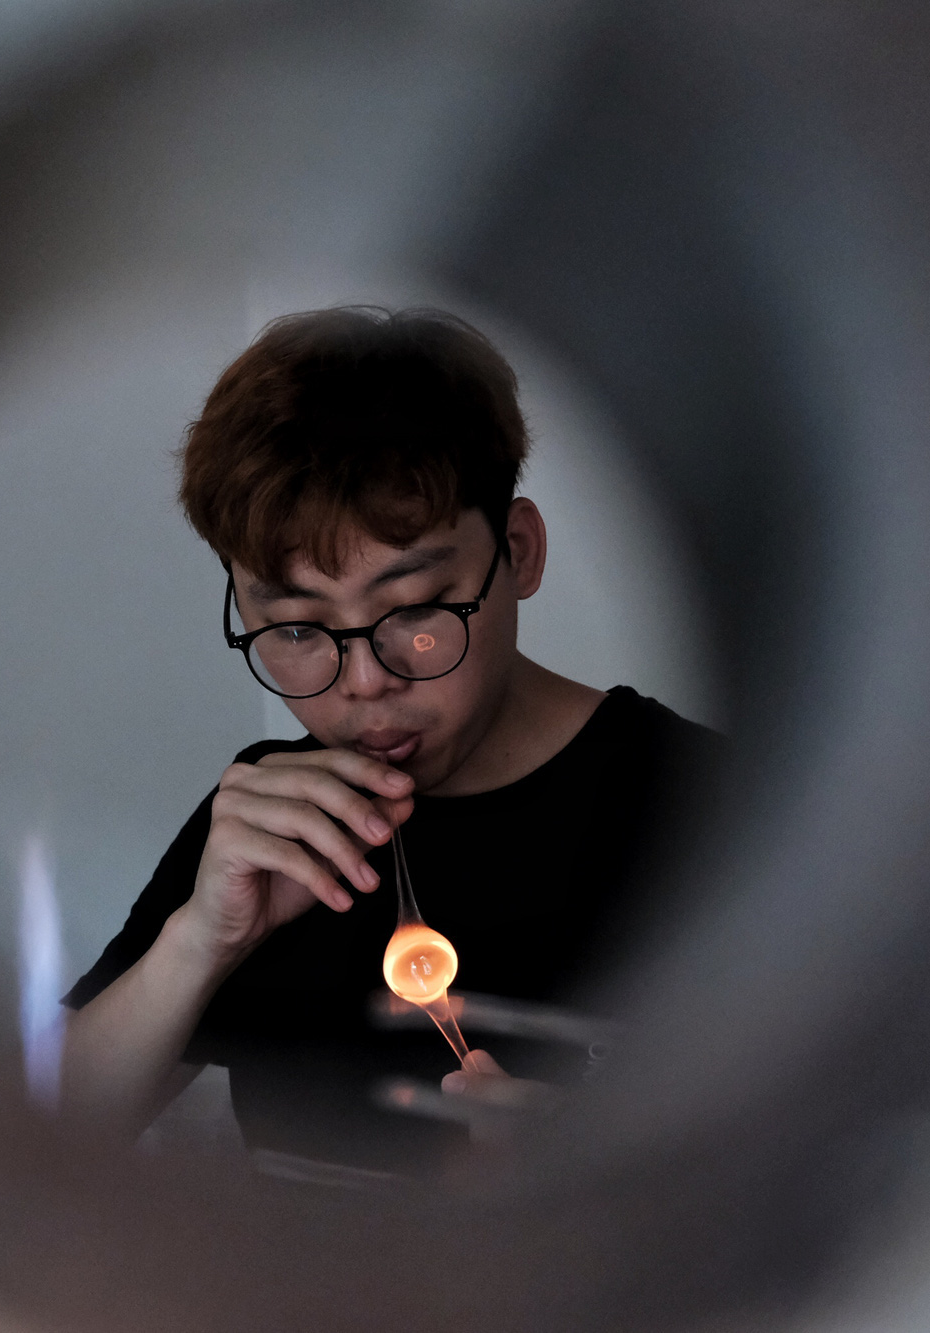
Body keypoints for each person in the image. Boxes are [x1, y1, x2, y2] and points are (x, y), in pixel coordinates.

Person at [60, 306, 721, 1176]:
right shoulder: (271, 825)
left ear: (517, 552)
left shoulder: (708, 811)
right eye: (297, 629)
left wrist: (618, 1182)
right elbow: (23, 1145)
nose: (364, 681)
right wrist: (196, 944)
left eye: (412, 611)